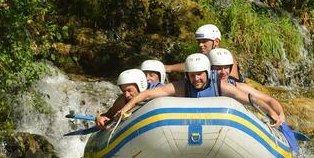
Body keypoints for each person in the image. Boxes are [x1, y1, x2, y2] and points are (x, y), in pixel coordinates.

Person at [110, 53, 288, 128]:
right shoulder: (181, 87)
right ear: (186, 75)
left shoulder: (221, 85)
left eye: (200, 75)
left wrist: (272, 112)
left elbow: (249, 99)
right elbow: (147, 94)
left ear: (207, 73)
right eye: (192, 75)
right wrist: (125, 109)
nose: (197, 79)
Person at [166, 24, 243, 80]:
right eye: (199, 41)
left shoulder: (227, 56)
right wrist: (169, 68)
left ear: (216, 42)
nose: (200, 44)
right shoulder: (204, 57)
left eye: (204, 41)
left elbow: (234, 80)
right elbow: (191, 64)